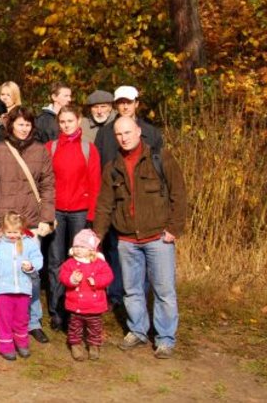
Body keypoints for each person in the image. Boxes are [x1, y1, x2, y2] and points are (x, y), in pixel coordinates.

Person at [93, 117, 187, 359]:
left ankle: (165, 338)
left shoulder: (160, 158)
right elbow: (104, 205)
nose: (124, 138)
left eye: (128, 132)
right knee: (131, 289)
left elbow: (179, 194)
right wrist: (98, 237)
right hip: (126, 239)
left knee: (163, 290)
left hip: (158, 237)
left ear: (138, 131)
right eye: (119, 134)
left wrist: (174, 229)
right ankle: (137, 330)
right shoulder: (112, 167)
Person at [0, 107, 55, 344]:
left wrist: (46, 218)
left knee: (31, 272)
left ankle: (32, 321)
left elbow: (48, 187)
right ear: (11, 125)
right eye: (20, 124)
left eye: (28, 124)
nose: (24, 129)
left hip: (30, 222)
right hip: (4, 221)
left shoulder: (40, 151)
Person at [93, 85, 164, 307]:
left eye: (129, 102)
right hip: (113, 199)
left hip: (144, 202)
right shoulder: (104, 133)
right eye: (120, 102)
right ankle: (116, 295)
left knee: (142, 253)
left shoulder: (150, 132)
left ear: (136, 104)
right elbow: (99, 165)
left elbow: (161, 171)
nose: (124, 106)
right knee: (115, 249)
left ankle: (140, 296)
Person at [45, 105, 101, 332]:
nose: (66, 125)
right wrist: (47, 211)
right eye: (62, 121)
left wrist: (91, 216)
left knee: (79, 261)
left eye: (70, 120)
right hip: (57, 211)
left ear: (78, 121)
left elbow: (95, 183)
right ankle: (57, 311)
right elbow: (45, 182)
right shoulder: (51, 147)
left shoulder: (89, 149)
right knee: (56, 261)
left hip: (80, 211)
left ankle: (76, 309)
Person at [0, 212, 44, 361]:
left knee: (21, 319)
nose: (12, 235)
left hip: (23, 288)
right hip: (3, 289)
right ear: (3, 229)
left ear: (21, 229)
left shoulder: (29, 242)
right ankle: (6, 346)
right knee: (4, 319)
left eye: (15, 232)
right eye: (9, 232)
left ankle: (22, 343)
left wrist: (31, 266)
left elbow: (38, 258)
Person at [59, 229, 114, 361]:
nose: (78, 249)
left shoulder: (99, 263)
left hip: (94, 305)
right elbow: (63, 276)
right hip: (76, 303)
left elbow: (109, 276)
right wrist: (72, 279)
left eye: (82, 247)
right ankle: (75, 344)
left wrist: (97, 282)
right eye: (76, 246)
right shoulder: (70, 263)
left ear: (91, 249)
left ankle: (94, 345)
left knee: (95, 327)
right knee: (75, 326)